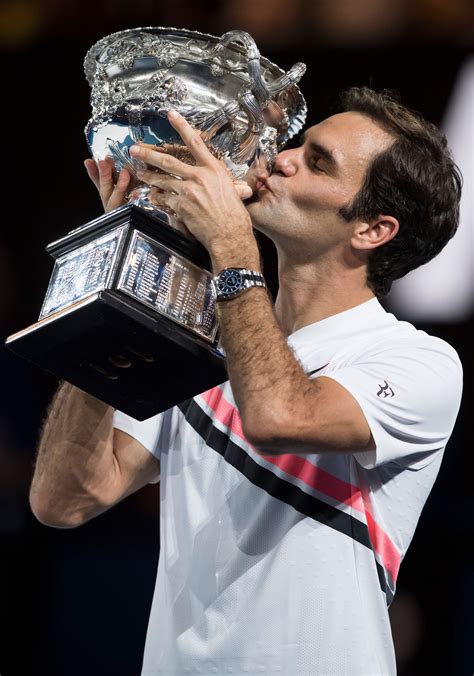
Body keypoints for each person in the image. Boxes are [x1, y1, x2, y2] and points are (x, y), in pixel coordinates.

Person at [30, 87, 463, 675]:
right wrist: (126, 252)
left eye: (318, 163)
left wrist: (231, 245)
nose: (281, 158)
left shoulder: (416, 361)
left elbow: (278, 415)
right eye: (299, 145)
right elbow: (64, 499)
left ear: (372, 229)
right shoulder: (199, 329)